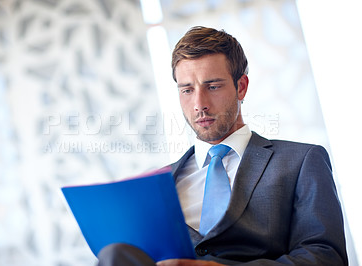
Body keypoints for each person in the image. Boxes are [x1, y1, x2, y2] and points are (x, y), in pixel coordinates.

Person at [97, 26, 348, 266]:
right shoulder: (156, 183)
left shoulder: (301, 161)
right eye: (187, 90)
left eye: (213, 86)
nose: (199, 104)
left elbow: (325, 257)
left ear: (241, 87)